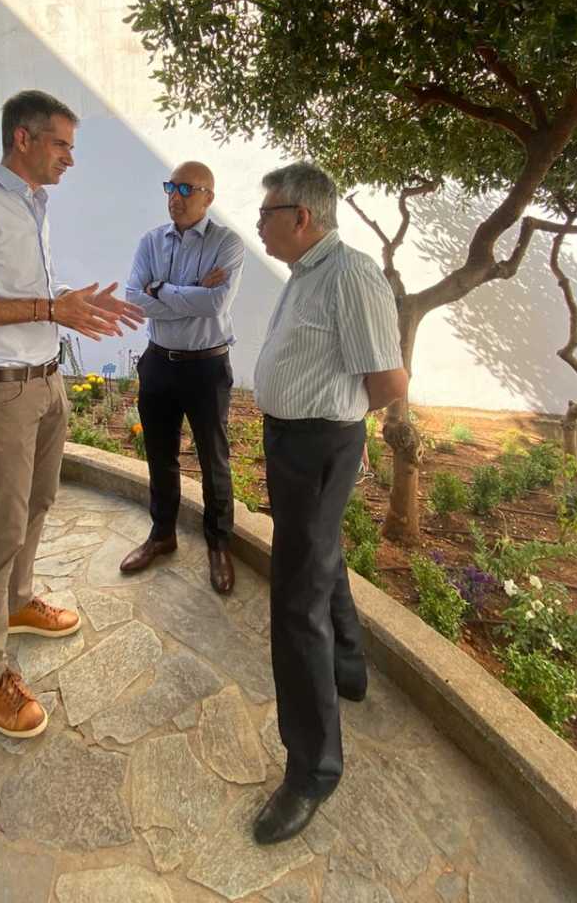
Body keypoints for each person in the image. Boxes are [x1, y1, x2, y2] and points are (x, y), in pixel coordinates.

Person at [0, 89, 143, 739]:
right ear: (23, 138)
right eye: (61, 144)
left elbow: (14, 289)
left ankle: (18, 603)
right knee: (0, 530)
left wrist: (66, 302)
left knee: (40, 502)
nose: (70, 158)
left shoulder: (32, 204)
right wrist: (50, 309)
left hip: (46, 383)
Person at [251, 161, 407, 844]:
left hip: (318, 445)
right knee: (318, 559)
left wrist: (338, 426)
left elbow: (389, 381)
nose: (259, 224)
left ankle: (313, 772)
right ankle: (349, 666)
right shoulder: (306, 272)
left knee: (295, 602)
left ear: (301, 217)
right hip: (296, 442)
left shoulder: (349, 275)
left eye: (267, 213)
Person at [120, 161, 245, 594]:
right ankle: (162, 535)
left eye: (187, 189)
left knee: (214, 459)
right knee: (160, 455)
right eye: (171, 187)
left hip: (206, 366)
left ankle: (219, 544)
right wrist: (189, 293)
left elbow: (216, 305)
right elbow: (133, 299)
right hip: (158, 362)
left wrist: (160, 289)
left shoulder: (227, 244)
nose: (175, 196)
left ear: (209, 197)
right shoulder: (151, 241)